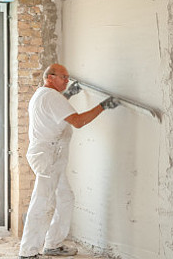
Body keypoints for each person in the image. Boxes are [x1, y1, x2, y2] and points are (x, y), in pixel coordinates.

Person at [18, 64, 120, 259]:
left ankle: (53, 244)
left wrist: (68, 95)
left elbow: (54, 112)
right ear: (50, 78)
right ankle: (28, 251)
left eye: (67, 77)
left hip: (50, 156)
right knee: (42, 202)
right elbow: (78, 121)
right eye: (63, 77)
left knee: (65, 198)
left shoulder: (43, 94)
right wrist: (103, 106)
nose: (67, 80)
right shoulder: (52, 97)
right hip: (48, 158)